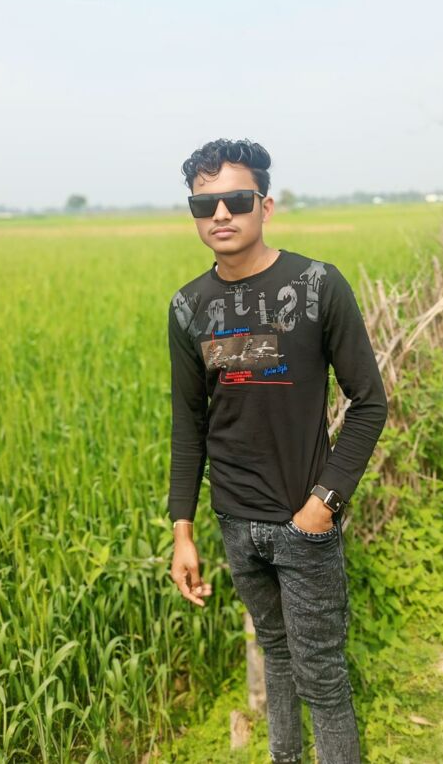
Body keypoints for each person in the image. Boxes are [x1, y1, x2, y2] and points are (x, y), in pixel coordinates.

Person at [167, 138, 388, 764]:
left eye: (236, 200)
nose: (220, 215)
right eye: (204, 204)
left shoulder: (317, 285)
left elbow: (369, 403)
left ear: (265, 205)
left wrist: (322, 505)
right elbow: (189, 424)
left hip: (303, 521)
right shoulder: (188, 307)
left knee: (323, 677)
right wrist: (183, 530)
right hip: (235, 522)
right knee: (277, 658)